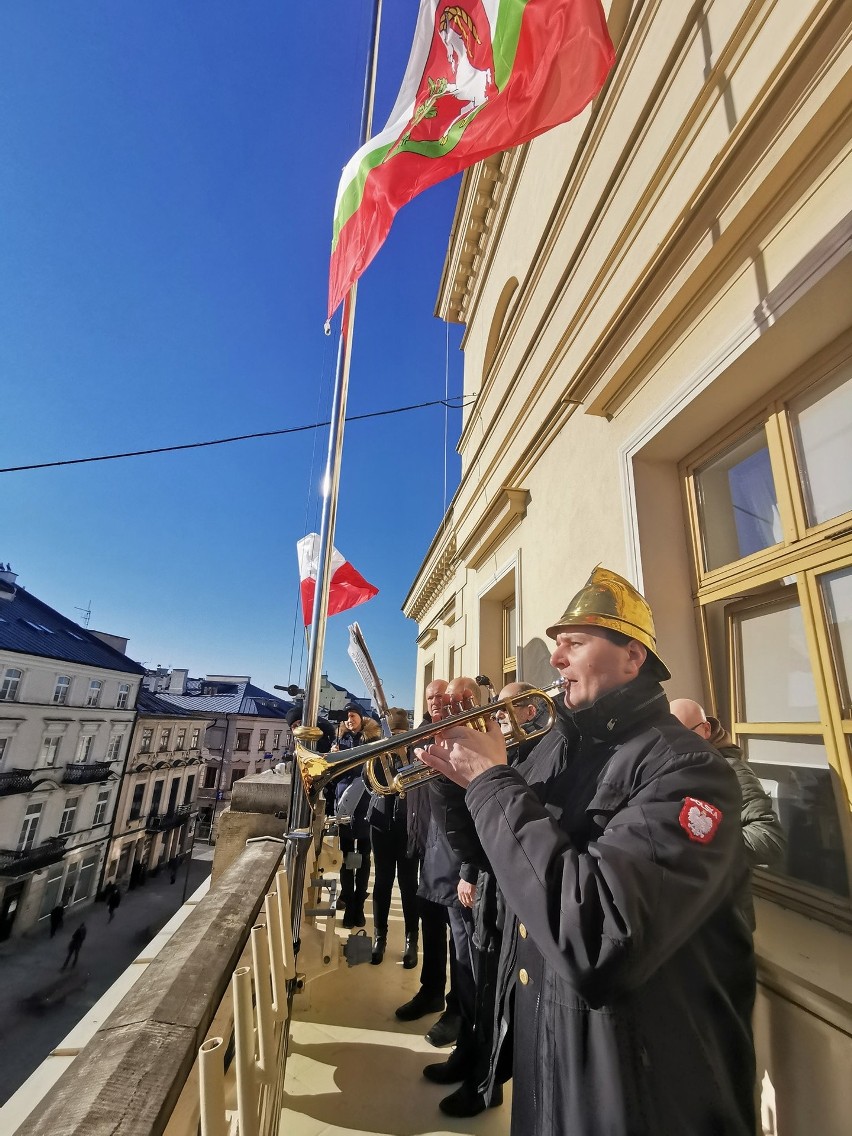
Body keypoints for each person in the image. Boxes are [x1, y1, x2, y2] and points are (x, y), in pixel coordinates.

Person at [418, 567, 757, 1136]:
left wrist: (491, 782)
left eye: (574, 643)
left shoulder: (688, 769)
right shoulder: (557, 747)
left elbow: (598, 937)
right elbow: (498, 856)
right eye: (556, 644)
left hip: (639, 1092)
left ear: (632, 657)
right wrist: (454, 779)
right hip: (549, 1064)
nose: (556, 659)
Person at [419, 676, 494, 1116]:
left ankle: (483, 1076)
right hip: (450, 871)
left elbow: (477, 811)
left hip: (470, 876)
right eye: (444, 700)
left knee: (476, 973)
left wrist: (468, 871)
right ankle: (465, 1054)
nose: (449, 705)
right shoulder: (448, 736)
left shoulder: (477, 741)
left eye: (462, 699)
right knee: (465, 971)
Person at [670, 697, 786, 927]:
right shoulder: (681, 769)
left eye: (682, 735)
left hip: (725, 920)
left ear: (705, 729)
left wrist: (702, 846)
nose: (673, 745)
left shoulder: (733, 772)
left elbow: (770, 840)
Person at [395, 679, 462, 1050]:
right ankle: (431, 990)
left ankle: (456, 1007)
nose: (436, 702)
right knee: (431, 922)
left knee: (459, 935)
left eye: (442, 696)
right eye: (431, 697)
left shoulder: (463, 734)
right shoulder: (420, 736)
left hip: (454, 849)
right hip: (424, 843)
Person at [368, 707, 419, 966]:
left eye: (401, 732)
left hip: (407, 826)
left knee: (409, 884)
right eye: (394, 732)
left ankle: (412, 941)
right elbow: (369, 785)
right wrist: (381, 759)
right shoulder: (377, 754)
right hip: (381, 823)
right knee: (383, 883)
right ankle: (380, 937)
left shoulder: (414, 752)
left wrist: (403, 759)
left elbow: (419, 783)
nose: (397, 736)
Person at [333, 704, 382, 929]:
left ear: (361, 718)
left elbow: (372, 772)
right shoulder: (340, 740)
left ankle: (358, 907)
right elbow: (335, 776)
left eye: (352, 715)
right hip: (344, 805)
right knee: (346, 859)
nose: (348, 720)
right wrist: (334, 761)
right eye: (346, 717)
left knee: (362, 858)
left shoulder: (371, 740)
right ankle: (350, 902)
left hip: (364, 806)